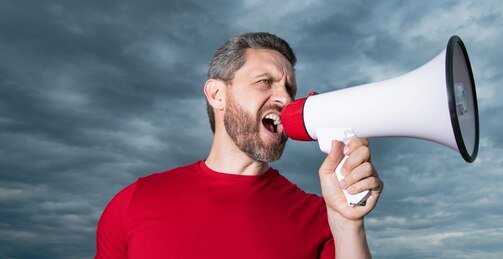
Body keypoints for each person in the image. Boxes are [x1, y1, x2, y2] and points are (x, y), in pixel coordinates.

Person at [95, 32, 384, 259]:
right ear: (217, 94)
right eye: (265, 82)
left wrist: (348, 223)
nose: (285, 99)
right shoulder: (135, 201)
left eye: (290, 89)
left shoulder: (321, 216)